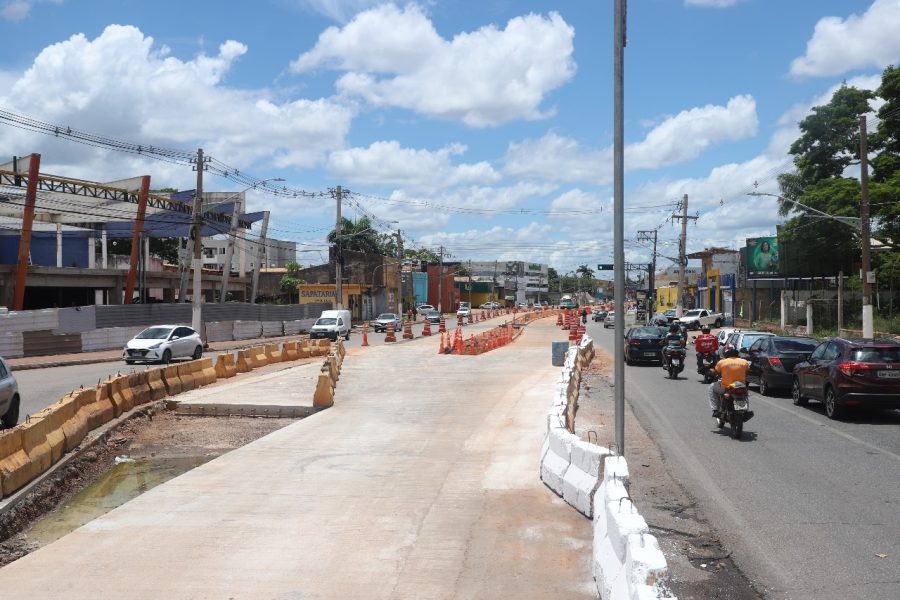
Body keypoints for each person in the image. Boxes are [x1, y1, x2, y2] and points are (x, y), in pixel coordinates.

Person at [708, 348, 750, 416]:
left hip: (727, 387)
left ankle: (715, 409)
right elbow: (747, 372)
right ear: (737, 355)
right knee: (745, 395)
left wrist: (712, 372)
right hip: (740, 385)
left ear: (726, 355)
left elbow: (716, 372)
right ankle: (746, 410)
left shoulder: (722, 362)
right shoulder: (744, 362)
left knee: (711, 387)